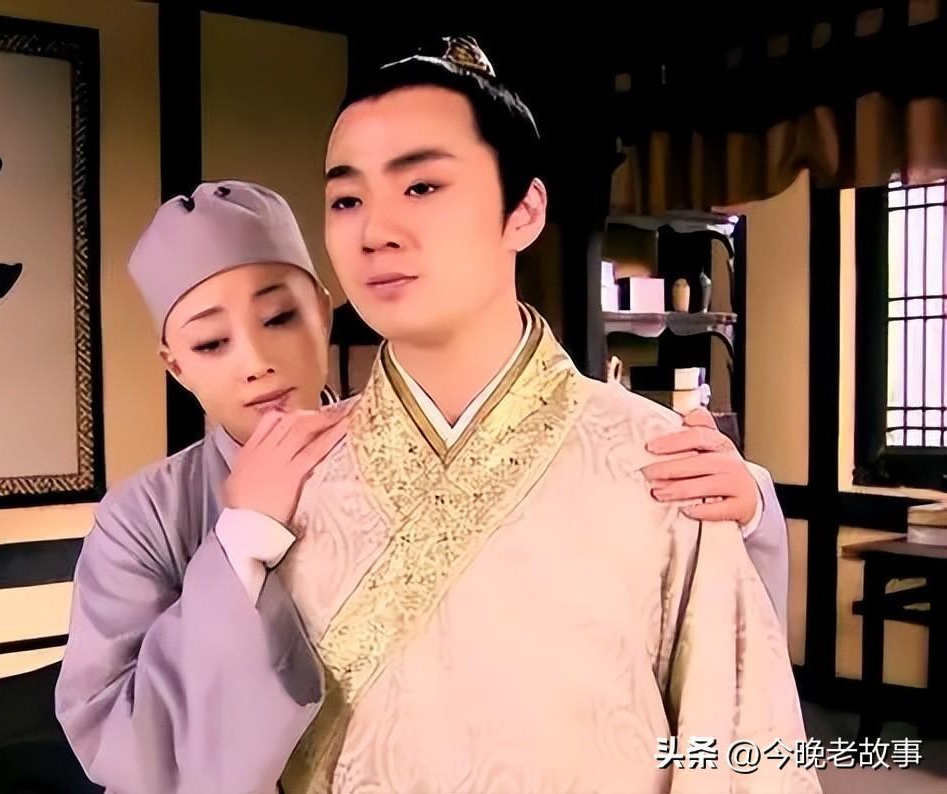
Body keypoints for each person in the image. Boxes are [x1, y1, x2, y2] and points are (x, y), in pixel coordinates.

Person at [55, 178, 794, 793]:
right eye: (211, 341)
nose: (255, 361)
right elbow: (115, 733)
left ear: (323, 308)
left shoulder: (426, 439)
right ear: (174, 363)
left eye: (279, 316)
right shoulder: (143, 517)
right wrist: (241, 541)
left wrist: (743, 508)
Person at [231, 38, 818, 792]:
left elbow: (739, 741)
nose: (375, 231)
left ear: (525, 211)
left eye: (422, 187)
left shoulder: (661, 462)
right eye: (347, 200)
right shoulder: (288, 476)